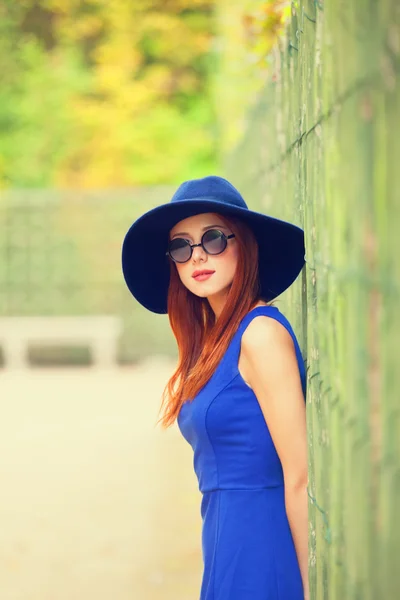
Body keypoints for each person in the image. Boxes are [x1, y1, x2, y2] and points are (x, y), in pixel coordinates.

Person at [121, 175, 309, 600]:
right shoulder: (215, 341)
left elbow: (299, 476)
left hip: (262, 547)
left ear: (245, 243)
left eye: (213, 239)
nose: (197, 256)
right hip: (225, 541)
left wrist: (309, 584)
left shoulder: (260, 335)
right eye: (181, 246)